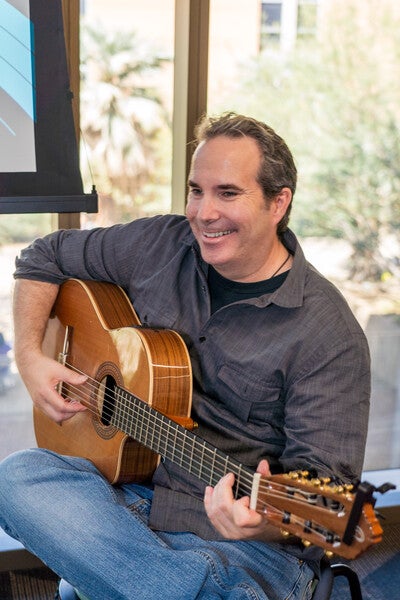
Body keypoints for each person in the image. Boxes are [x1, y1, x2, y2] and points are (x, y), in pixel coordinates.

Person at [0, 113, 370, 600]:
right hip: (129, 493)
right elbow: (42, 257)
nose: (204, 212)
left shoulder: (328, 333)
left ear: (278, 202)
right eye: (197, 190)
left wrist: (257, 524)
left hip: (243, 545)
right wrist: (29, 358)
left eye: (228, 193)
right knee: (18, 476)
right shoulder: (161, 244)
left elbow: (326, 506)